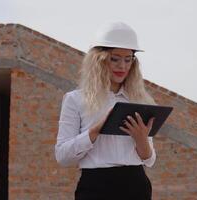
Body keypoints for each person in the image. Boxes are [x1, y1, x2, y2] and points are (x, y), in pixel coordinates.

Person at [55, 21, 157, 200]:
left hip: (136, 186)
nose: (122, 66)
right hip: (95, 187)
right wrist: (95, 131)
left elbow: (150, 160)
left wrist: (141, 140)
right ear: (99, 59)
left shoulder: (140, 102)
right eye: (115, 58)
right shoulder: (75, 99)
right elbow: (62, 156)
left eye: (128, 59)